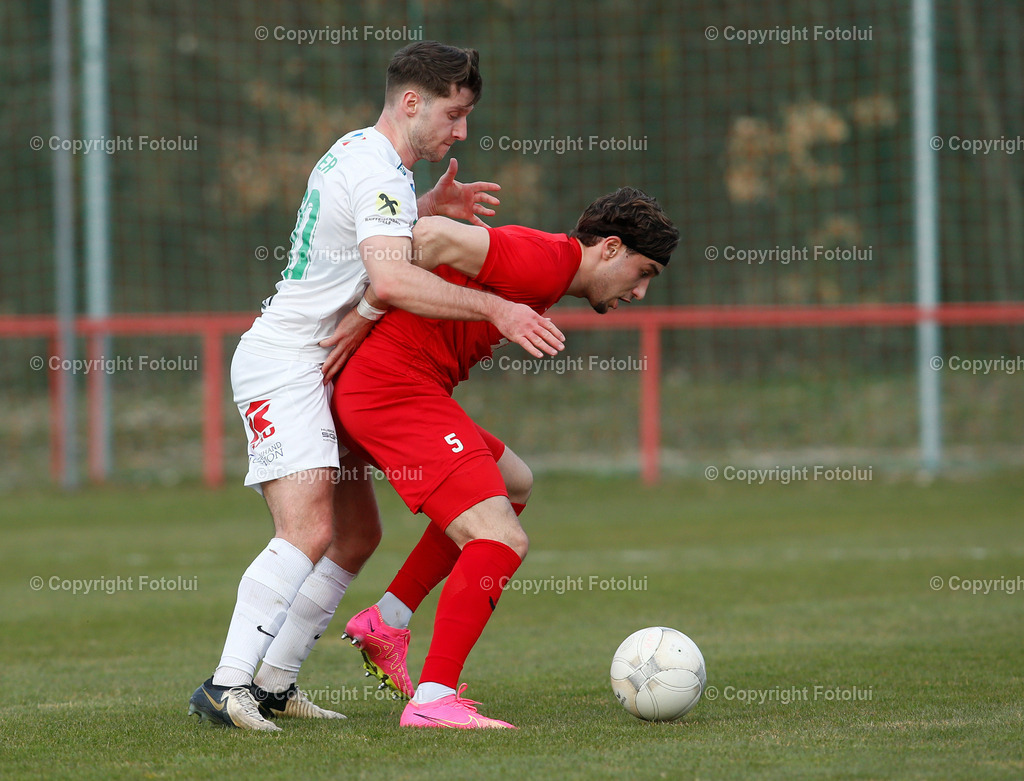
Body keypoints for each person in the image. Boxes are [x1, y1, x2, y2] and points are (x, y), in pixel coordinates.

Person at [188, 41, 564, 732]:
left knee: (355, 536)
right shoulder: (378, 171)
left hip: (319, 365)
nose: (462, 131)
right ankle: (225, 684)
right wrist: (499, 307)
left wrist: (426, 204)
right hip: (288, 363)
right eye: (455, 114)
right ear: (412, 102)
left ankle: (274, 684)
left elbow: (359, 241)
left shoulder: (363, 152)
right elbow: (390, 279)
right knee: (307, 528)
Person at [332, 186, 679, 728]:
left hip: (401, 388)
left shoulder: (552, 267)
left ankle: (388, 619)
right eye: (644, 272)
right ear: (609, 248)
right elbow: (430, 237)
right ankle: (433, 699)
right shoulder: (544, 262)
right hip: (390, 390)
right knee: (500, 537)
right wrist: (368, 308)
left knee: (514, 481)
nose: (639, 292)